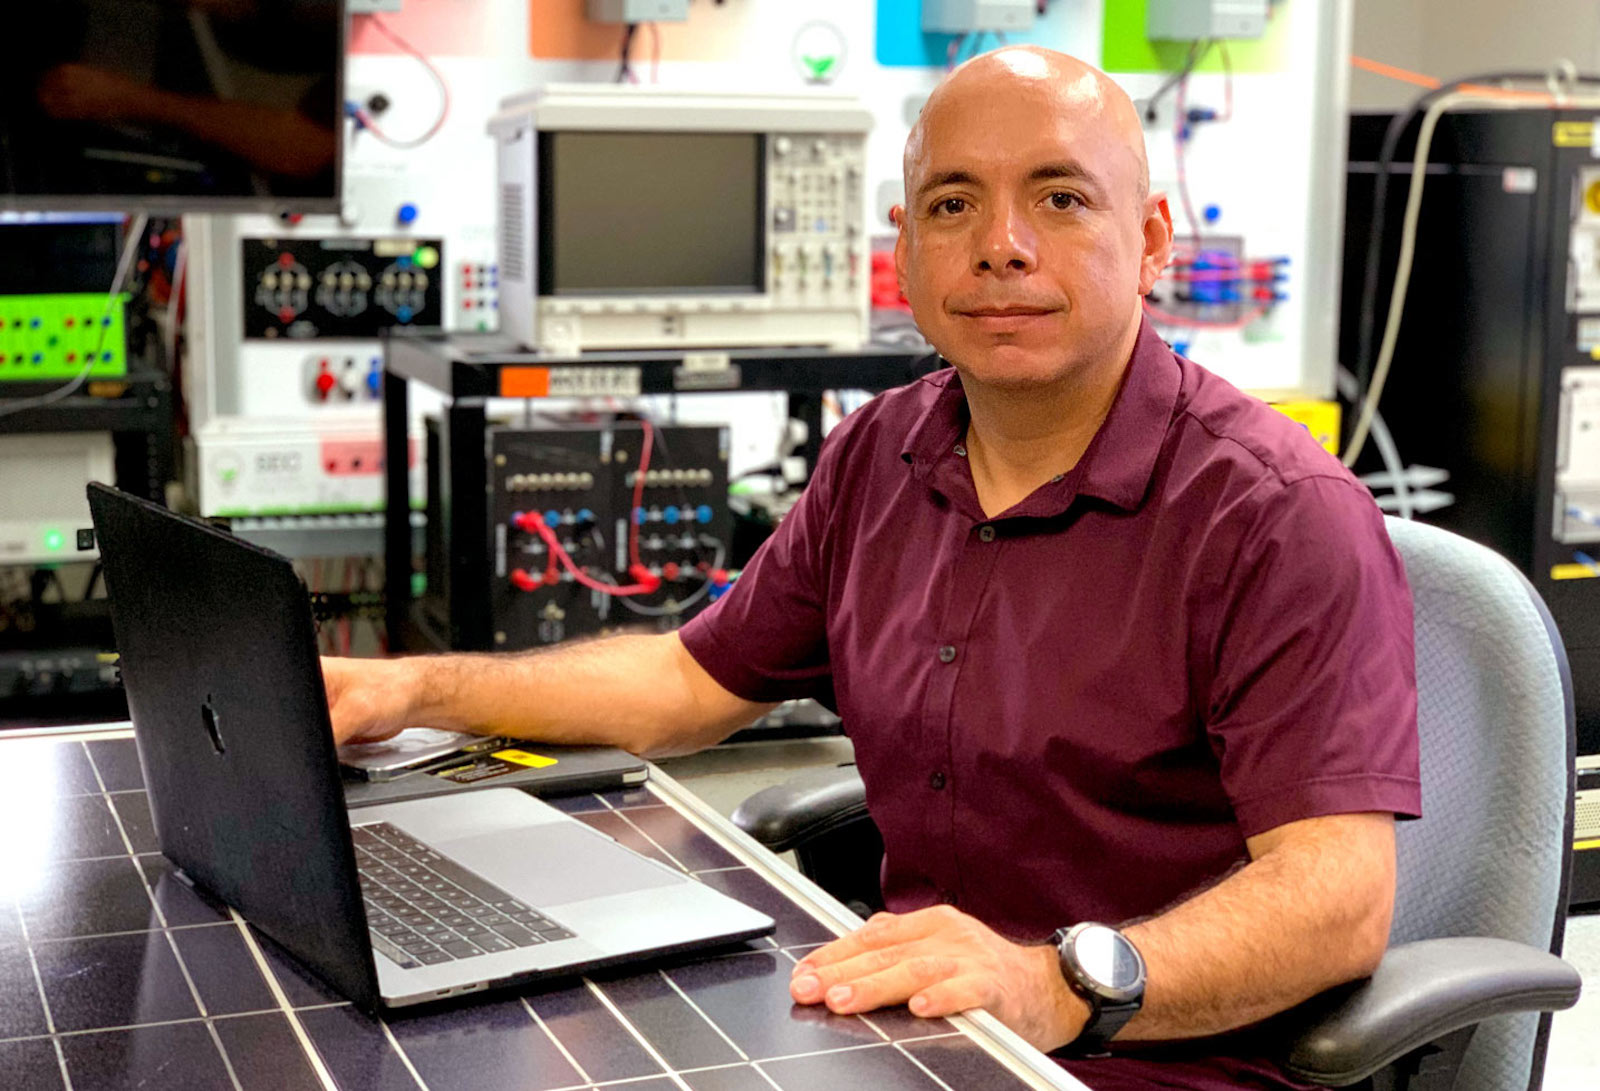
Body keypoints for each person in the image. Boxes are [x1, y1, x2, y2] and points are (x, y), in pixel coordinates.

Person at [322, 47, 1419, 1090]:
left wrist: (1054, 982)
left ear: (1148, 240)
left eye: (1060, 198)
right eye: (952, 204)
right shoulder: (879, 455)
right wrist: (415, 689)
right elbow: (687, 683)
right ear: (905, 248)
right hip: (914, 1028)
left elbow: (1335, 899)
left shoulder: (1274, 514)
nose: (1000, 244)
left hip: (1146, 1057)